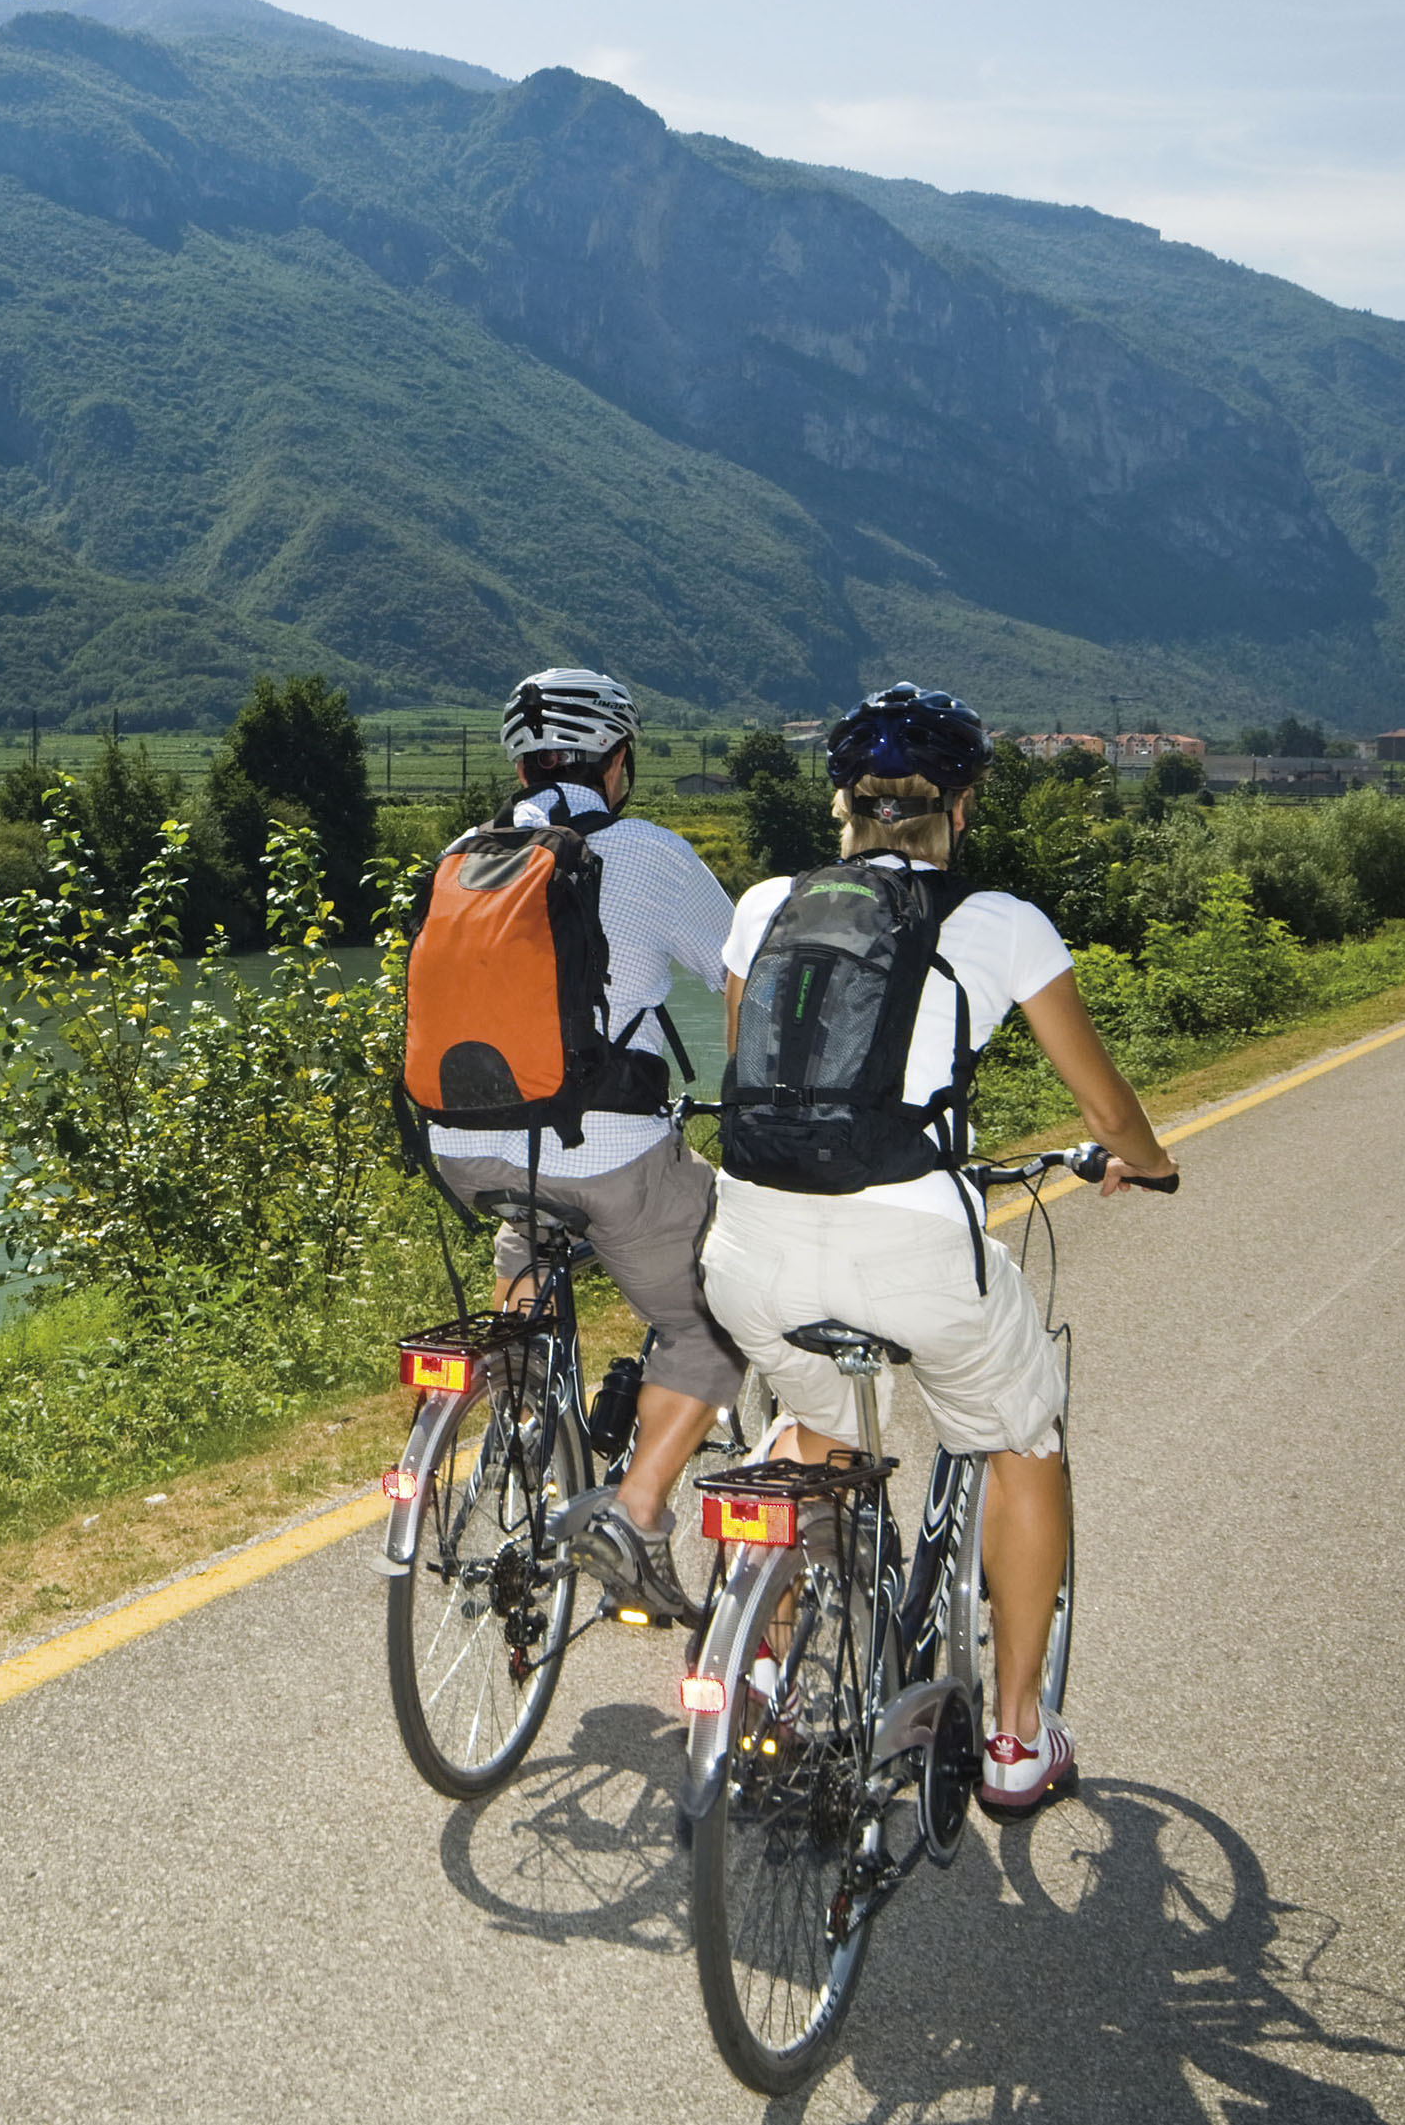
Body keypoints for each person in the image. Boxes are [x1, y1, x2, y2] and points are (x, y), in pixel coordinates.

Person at [702, 683, 1178, 1811]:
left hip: (752, 1244)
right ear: (959, 809)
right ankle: (1015, 1738)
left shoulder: (766, 904)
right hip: (911, 1244)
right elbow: (1107, 1110)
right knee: (1022, 1438)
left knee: (813, 1428)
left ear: (842, 805)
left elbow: (752, 1077)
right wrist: (1147, 1162)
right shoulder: (1001, 923)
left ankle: (759, 1670)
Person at [423, 667, 742, 1623]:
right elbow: (745, 968)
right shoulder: (647, 851)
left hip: (461, 1149)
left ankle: (521, 1413)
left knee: (530, 1216)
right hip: (606, 1148)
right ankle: (636, 1516)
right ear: (617, 760)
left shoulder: (463, 855)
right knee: (718, 1312)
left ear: (522, 764)